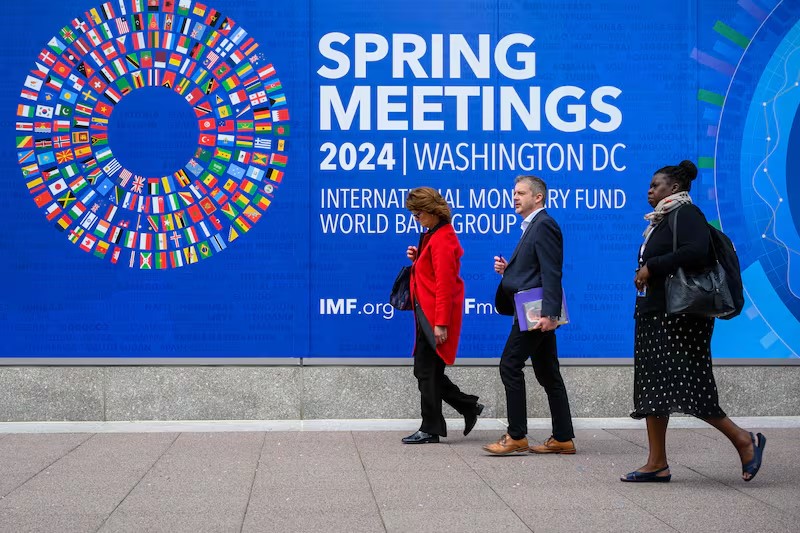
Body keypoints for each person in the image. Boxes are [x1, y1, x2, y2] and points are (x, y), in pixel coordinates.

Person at [622, 159, 766, 482]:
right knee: (653, 390)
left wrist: (652, 266)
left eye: (655, 185)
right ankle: (657, 462)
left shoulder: (686, 213)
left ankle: (746, 440)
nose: (649, 190)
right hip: (655, 315)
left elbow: (697, 251)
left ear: (674, 188)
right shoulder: (660, 220)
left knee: (692, 388)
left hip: (681, 319)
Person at [483, 176, 576, 455]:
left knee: (509, 365)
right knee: (548, 374)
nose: (515, 197)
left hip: (535, 313)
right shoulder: (532, 227)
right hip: (533, 310)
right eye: (514, 193)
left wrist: (550, 313)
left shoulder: (544, 225)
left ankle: (516, 435)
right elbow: (535, 268)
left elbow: (552, 271)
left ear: (538, 197)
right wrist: (508, 269)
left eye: (521, 193)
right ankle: (562, 438)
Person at [401, 187, 484, 444]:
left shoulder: (442, 238)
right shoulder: (433, 235)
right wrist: (418, 259)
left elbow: (445, 284)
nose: (416, 218)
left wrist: (441, 323)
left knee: (426, 371)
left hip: (433, 316)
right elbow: (431, 273)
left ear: (432, 211)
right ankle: (466, 407)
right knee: (428, 371)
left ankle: (432, 427)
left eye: (419, 213)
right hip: (425, 313)